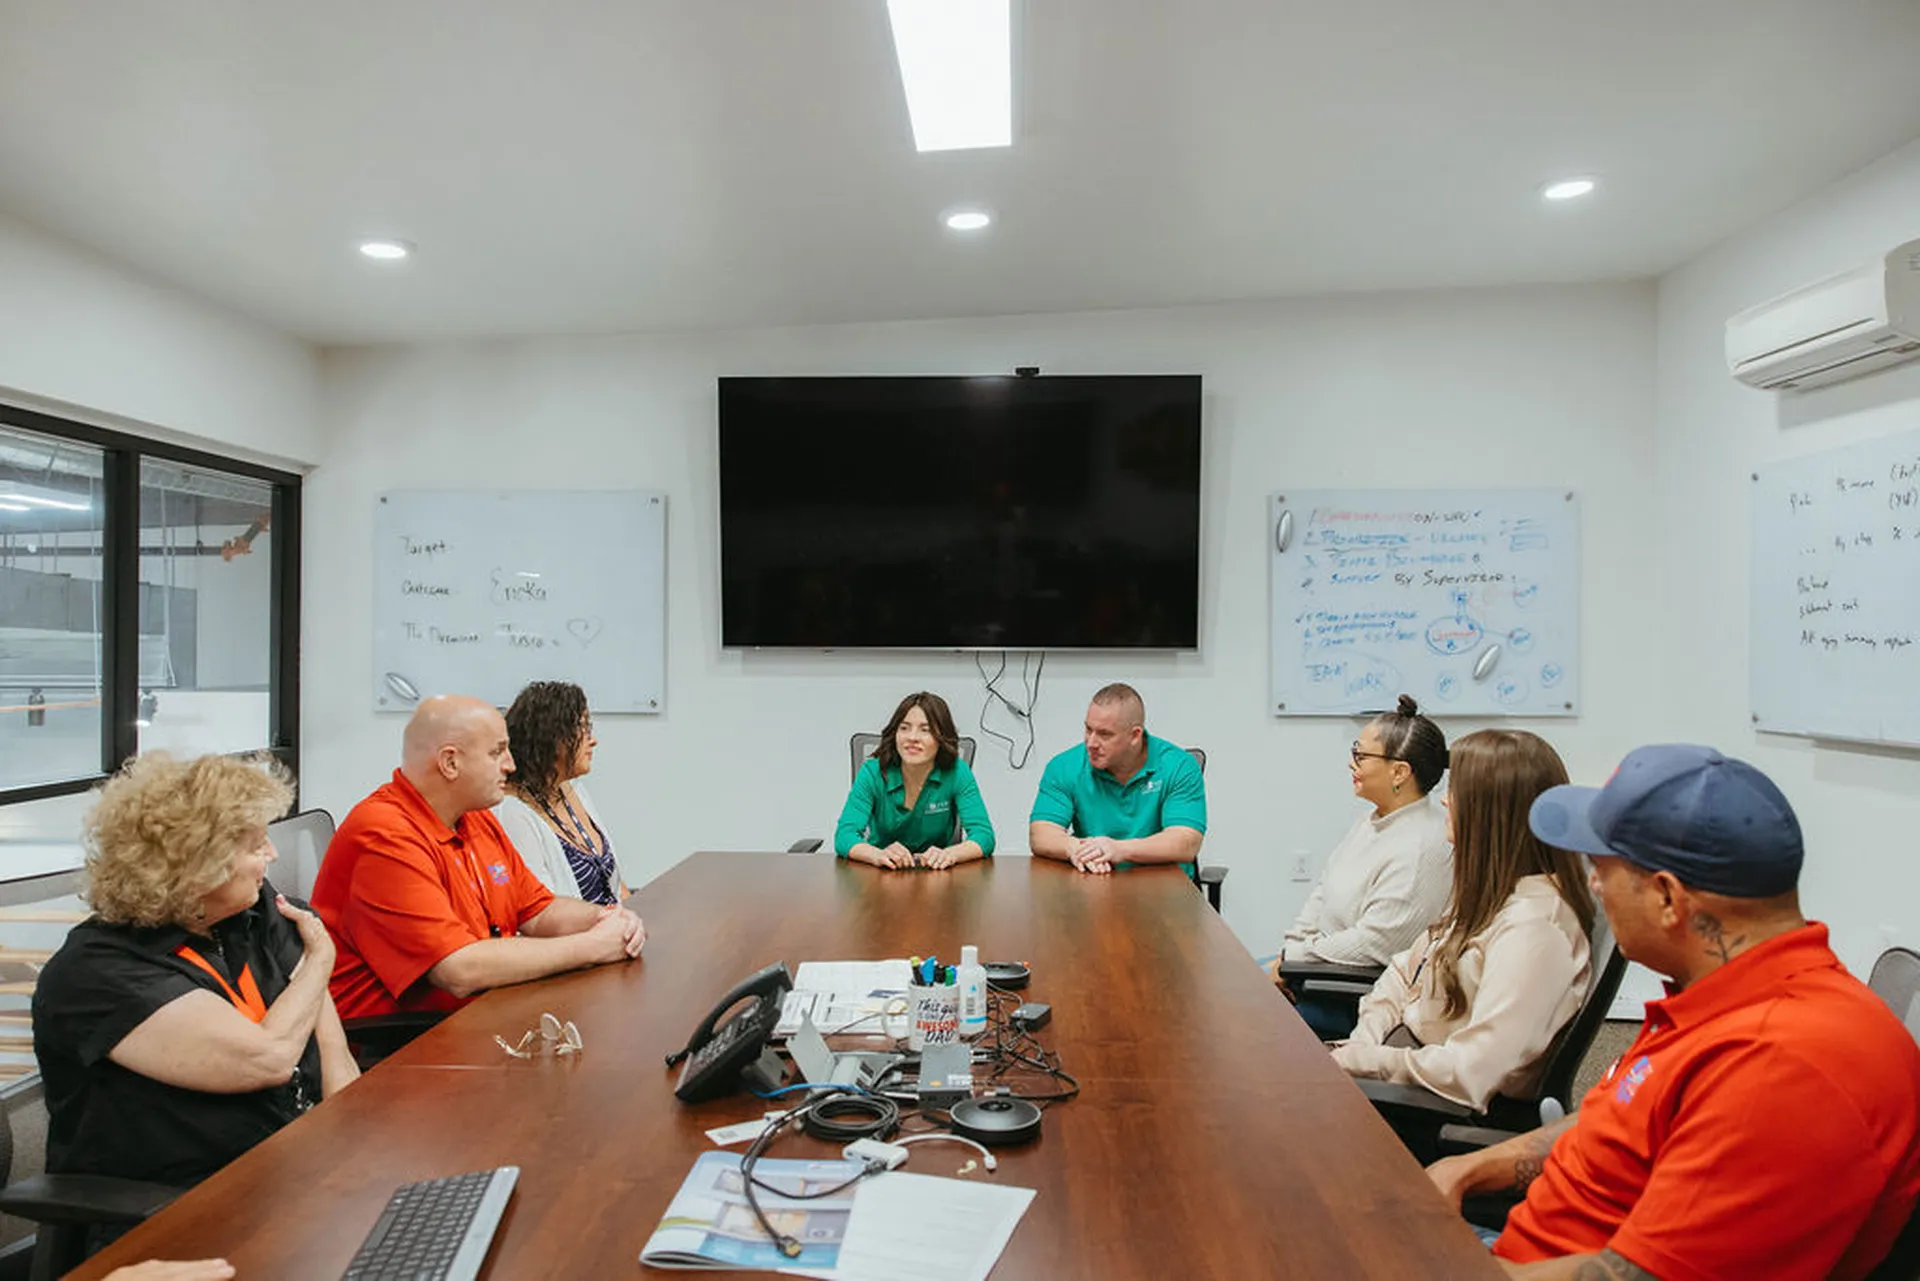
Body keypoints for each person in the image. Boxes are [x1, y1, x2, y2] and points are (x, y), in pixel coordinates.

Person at [1428, 744, 1920, 1280]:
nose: (1593, 885)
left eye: (1602, 868)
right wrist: (1474, 1166)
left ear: (1667, 897)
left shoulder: (1780, 1067)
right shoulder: (1727, 995)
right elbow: (1622, 1121)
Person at [31, 753, 359, 1191]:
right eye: (255, 846)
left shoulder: (261, 913)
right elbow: (269, 1059)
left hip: (295, 1174)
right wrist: (319, 961)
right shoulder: (97, 973)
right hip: (178, 1204)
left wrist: (357, 1157)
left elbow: (335, 1059)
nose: (272, 853)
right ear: (199, 866)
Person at [312, 695, 646, 1020]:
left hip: (478, 1014)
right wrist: (593, 946)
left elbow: (539, 912)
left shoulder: (474, 817)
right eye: (497, 752)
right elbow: (459, 970)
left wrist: (608, 919)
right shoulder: (383, 834)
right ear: (450, 763)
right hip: (403, 1038)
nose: (511, 765)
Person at [1331, 729, 1594, 1115]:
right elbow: (1404, 974)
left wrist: (1366, 1060)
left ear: (1491, 812)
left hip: (1434, 1109)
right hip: (1403, 1063)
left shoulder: (1534, 929)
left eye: (1456, 791)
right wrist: (1364, 1043)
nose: (1444, 799)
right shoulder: (1491, 894)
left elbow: (1470, 1073)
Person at [1269, 694, 1453, 1039]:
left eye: (1361, 756)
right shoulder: (1373, 820)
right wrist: (1289, 953)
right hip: (1316, 969)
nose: (1351, 764)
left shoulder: (1422, 847)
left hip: (1355, 996)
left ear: (1400, 771)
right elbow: (1323, 893)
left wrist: (1292, 959)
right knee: (1233, 982)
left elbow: (1374, 943)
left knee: (1235, 1010)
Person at [1028, 683, 1207, 876]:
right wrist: (1075, 848)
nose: (1091, 743)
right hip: (1095, 880)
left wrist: (1119, 849)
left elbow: (1186, 842)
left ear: (1135, 736)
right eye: (1088, 729)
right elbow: (1041, 833)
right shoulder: (1063, 766)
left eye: (1104, 734)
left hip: (1164, 883)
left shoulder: (1179, 766)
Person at [495, 680, 628, 904]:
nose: (593, 740)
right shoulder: (512, 813)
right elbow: (541, 909)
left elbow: (614, 883)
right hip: (581, 926)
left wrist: (635, 915)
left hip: (614, 921)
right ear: (551, 737)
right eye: (582, 728)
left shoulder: (572, 788)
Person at [835, 691, 995, 869]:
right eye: (904, 728)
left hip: (937, 873)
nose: (912, 738)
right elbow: (845, 835)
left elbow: (984, 835)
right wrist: (877, 855)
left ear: (942, 737)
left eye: (925, 730)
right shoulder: (872, 772)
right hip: (883, 871)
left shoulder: (957, 772)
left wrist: (950, 854)